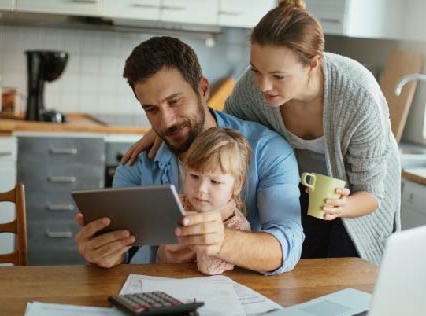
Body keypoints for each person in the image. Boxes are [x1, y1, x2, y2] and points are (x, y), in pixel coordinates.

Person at [122, 1, 401, 265]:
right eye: (256, 71)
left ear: (313, 65)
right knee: (303, 267)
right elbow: (223, 129)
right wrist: (165, 130)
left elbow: (372, 194)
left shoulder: (357, 95)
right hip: (304, 188)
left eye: (278, 76)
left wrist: (339, 206)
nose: (264, 86)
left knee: (350, 272)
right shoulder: (252, 88)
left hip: (357, 195)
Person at [75, 36, 304, 274]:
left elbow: (287, 245)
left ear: (203, 89)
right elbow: (123, 253)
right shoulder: (138, 163)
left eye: (174, 101)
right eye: (151, 110)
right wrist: (105, 253)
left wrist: (222, 241)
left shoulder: (267, 150)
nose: (166, 122)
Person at [157, 127, 252, 275]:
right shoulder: (177, 205)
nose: (201, 189)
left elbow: (209, 269)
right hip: (166, 279)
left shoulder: (236, 226)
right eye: (194, 176)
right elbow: (159, 253)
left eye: (214, 181)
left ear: (237, 186)